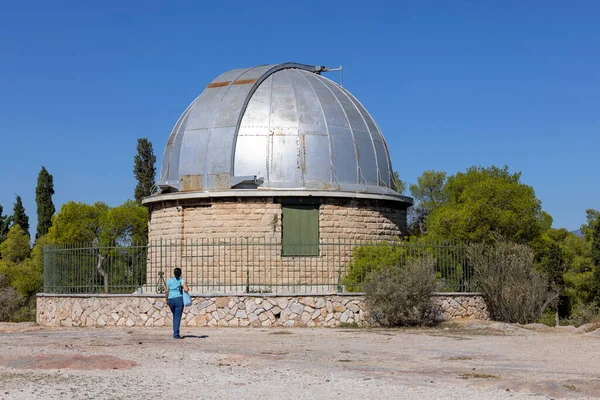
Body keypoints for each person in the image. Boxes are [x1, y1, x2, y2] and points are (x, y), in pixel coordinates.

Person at [165, 267, 189, 339]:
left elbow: (166, 291)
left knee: (175, 316)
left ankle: (175, 331)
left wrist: (166, 300)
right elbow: (186, 289)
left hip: (170, 299)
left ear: (174, 273)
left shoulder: (169, 281)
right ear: (180, 273)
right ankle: (176, 334)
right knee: (177, 317)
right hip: (179, 299)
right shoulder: (182, 280)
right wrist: (188, 288)